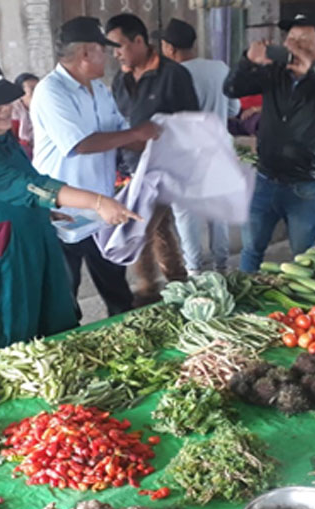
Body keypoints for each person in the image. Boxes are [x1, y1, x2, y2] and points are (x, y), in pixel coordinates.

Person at [0, 58, 141, 362]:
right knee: (7, 338)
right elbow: (32, 186)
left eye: (6, 100)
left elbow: (25, 183)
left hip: (33, 238)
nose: (5, 109)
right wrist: (98, 202)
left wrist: (46, 212)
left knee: (51, 325)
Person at [32, 17, 162, 318]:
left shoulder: (100, 90)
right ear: (86, 53)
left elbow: (120, 134)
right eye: (104, 50)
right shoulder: (51, 91)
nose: (111, 56)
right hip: (61, 211)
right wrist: (136, 133)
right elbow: (80, 144)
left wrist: (155, 142)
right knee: (64, 295)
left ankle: (123, 331)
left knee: (117, 289)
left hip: (101, 209)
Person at [224, 14, 315, 272]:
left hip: (304, 185)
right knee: (251, 250)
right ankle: (244, 291)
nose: (295, 46)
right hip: (265, 179)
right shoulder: (273, 73)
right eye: (291, 40)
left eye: (304, 41)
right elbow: (231, 89)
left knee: (304, 257)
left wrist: (313, 71)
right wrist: (248, 61)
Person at [106, 12, 199, 303]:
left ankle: (147, 292)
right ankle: (178, 283)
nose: (115, 53)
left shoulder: (173, 75)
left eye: (119, 45)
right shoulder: (120, 81)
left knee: (138, 227)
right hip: (132, 168)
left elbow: (191, 123)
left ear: (139, 41)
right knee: (158, 228)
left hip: (164, 168)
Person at [156, 17, 239, 276]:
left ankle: (194, 271)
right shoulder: (220, 68)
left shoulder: (170, 76)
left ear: (170, 48)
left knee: (187, 216)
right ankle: (222, 267)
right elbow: (234, 109)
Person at [10, 72, 39, 157]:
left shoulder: (46, 107)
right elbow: (12, 139)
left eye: (39, 89)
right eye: (32, 90)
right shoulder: (14, 111)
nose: (37, 94)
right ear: (20, 94)